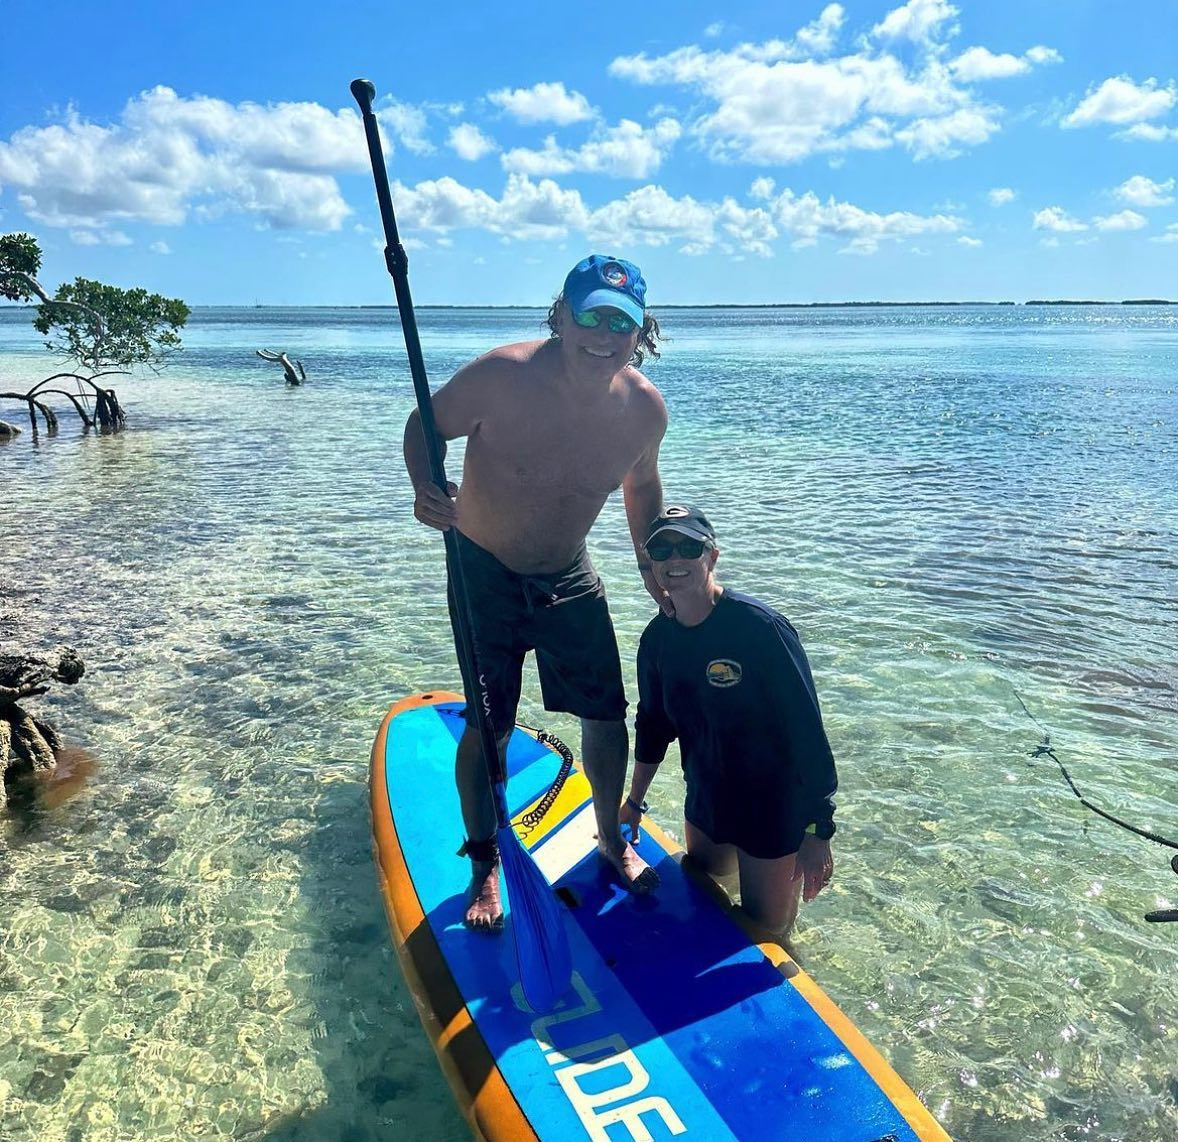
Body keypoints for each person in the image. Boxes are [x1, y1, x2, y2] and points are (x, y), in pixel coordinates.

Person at [404, 254, 669, 931]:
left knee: (608, 714)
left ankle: (611, 839)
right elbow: (424, 425)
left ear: (641, 333)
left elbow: (641, 487)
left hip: (568, 574)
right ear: (559, 315)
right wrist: (426, 489)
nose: (604, 334)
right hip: (481, 571)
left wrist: (651, 564)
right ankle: (484, 860)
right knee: (488, 724)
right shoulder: (502, 375)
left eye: (621, 323)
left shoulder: (643, 411)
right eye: (590, 316)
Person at [622, 505, 838, 942]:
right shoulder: (657, 639)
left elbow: (808, 733)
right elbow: (653, 726)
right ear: (651, 564)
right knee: (708, 908)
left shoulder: (761, 629)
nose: (675, 558)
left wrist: (819, 830)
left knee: (769, 934)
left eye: (689, 546)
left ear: (713, 556)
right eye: (662, 549)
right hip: (706, 803)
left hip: (773, 811)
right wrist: (635, 801)